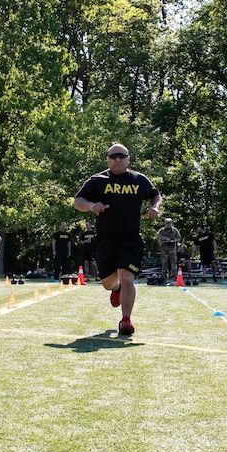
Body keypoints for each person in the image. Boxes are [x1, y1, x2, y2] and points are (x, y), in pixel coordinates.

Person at [73, 143, 162, 336]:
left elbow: (155, 196)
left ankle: (126, 320)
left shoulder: (139, 179)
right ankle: (116, 289)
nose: (118, 159)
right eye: (113, 157)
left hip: (130, 238)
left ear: (128, 158)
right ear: (107, 159)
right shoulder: (98, 180)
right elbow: (78, 201)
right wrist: (91, 206)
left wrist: (155, 207)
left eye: (122, 156)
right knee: (108, 283)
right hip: (105, 239)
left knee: (127, 275)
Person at [156, 218, 182, 283]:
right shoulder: (161, 230)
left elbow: (179, 238)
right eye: (167, 224)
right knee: (164, 264)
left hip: (172, 249)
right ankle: (164, 280)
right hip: (164, 249)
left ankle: (174, 279)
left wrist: (175, 240)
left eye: (170, 223)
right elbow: (158, 236)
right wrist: (166, 239)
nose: (168, 225)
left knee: (174, 265)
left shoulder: (175, 230)